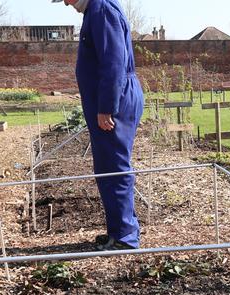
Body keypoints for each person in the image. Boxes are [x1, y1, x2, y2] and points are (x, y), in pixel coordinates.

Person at [64, 0, 145, 251]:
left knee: (114, 166)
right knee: (108, 165)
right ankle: (118, 229)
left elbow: (114, 61)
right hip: (113, 97)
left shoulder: (102, 9)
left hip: (115, 100)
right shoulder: (96, 9)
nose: (66, 3)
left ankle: (124, 236)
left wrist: (107, 106)